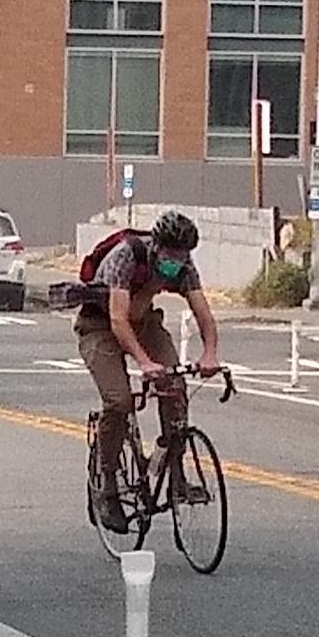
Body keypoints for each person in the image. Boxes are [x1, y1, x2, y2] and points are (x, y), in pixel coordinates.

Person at [74, 209, 224, 525]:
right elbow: (117, 319)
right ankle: (108, 484)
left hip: (144, 322)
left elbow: (203, 314)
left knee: (175, 388)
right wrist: (143, 362)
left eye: (183, 255)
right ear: (157, 245)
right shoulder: (126, 255)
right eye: (171, 254)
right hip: (100, 325)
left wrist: (210, 354)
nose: (176, 261)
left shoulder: (184, 267)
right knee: (120, 402)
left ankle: (176, 476)